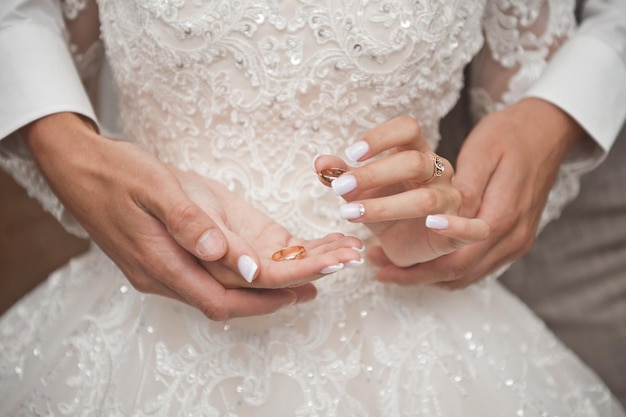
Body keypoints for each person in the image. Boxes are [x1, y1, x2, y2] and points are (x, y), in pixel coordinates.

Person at [0, 1, 624, 416]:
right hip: (140, 299)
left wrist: (545, 122)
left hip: (407, 308)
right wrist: (65, 144)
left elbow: (536, 79)